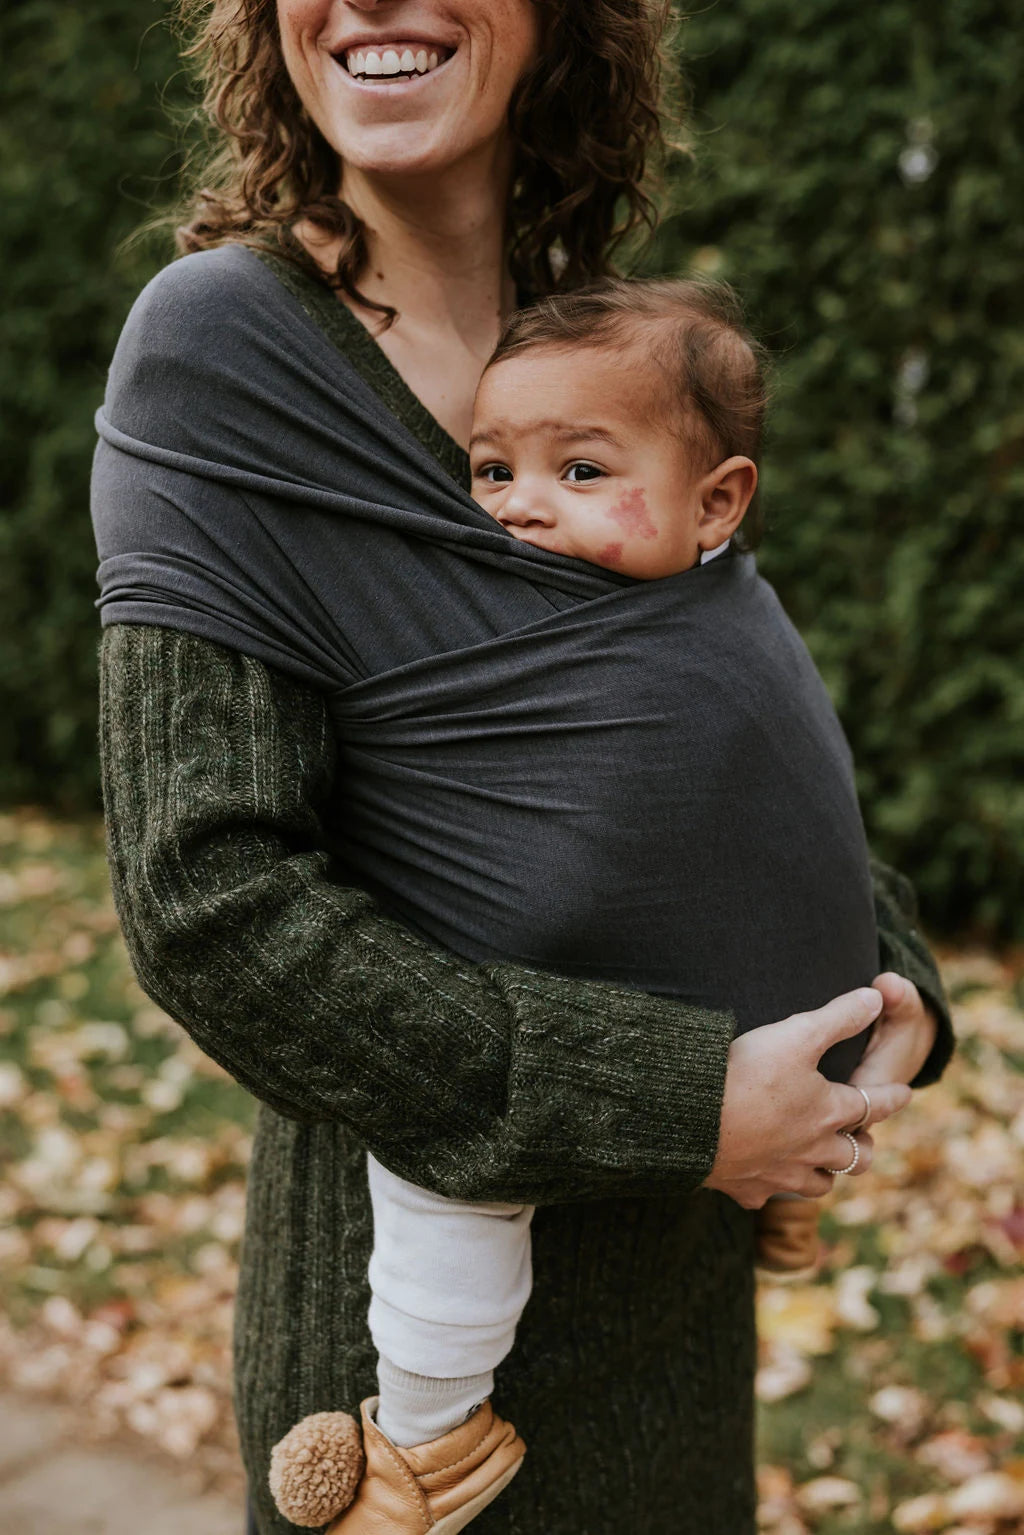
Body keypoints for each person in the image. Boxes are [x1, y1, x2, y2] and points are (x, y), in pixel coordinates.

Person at [92, 3, 953, 1532]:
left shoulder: (600, 338)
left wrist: (882, 998)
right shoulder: (228, 346)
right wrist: (683, 1098)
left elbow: (709, 719)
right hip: (418, 1380)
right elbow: (208, 898)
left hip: (682, 1294)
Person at [262, 275, 916, 1532]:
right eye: (492, 467)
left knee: (443, 1168)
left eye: (579, 471)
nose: (517, 508)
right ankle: (464, 1405)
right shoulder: (575, 602)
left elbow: (791, 806)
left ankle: (421, 1426)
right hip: (652, 1037)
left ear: (717, 501)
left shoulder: (719, 628)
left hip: (716, 1038)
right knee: (451, 1126)